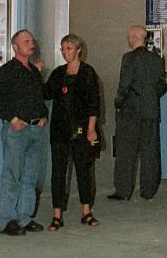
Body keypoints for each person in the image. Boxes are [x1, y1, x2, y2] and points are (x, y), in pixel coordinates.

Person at [0, 30, 48, 236]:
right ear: (15, 47)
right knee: (12, 176)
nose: (31, 44)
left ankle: (24, 217)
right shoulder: (6, 71)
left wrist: (43, 116)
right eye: (26, 41)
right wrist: (13, 119)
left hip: (35, 129)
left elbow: (39, 97)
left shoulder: (33, 70)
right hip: (17, 131)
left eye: (32, 40)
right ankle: (8, 221)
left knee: (30, 176)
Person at [43, 34, 101, 231]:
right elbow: (46, 93)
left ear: (79, 49)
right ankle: (57, 214)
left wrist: (91, 129)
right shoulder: (58, 73)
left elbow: (94, 103)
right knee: (58, 172)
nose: (65, 52)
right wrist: (36, 73)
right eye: (63, 49)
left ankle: (86, 211)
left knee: (83, 171)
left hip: (82, 129)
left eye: (69, 48)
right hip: (60, 130)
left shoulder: (88, 73)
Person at [110, 24, 167, 201]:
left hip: (130, 112)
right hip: (150, 111)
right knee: (150, 152)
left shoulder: (128, 58)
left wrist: (118, 102)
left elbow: (124, 84)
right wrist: (150, 97)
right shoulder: (156, 58)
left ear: (134, 38)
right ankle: (148, 190)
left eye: (129, 36)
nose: (128, 39)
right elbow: (162, 85)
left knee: (126, 152)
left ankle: (123, 191)